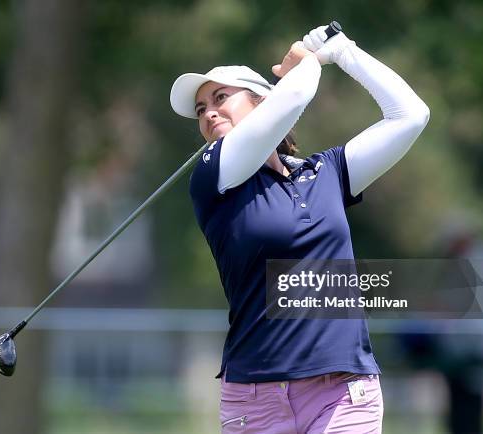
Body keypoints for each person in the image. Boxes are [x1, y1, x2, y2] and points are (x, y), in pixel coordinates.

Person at [170, 24, 429, 433]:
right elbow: (294, 94)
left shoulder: (325, 173)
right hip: (253, 400)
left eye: (220, 98)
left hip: (342, 392)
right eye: (201, 109)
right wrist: (306, 63)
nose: (209, 113)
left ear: (262, 103)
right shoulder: (213, 175)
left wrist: (344, 53)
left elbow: (411, 115)